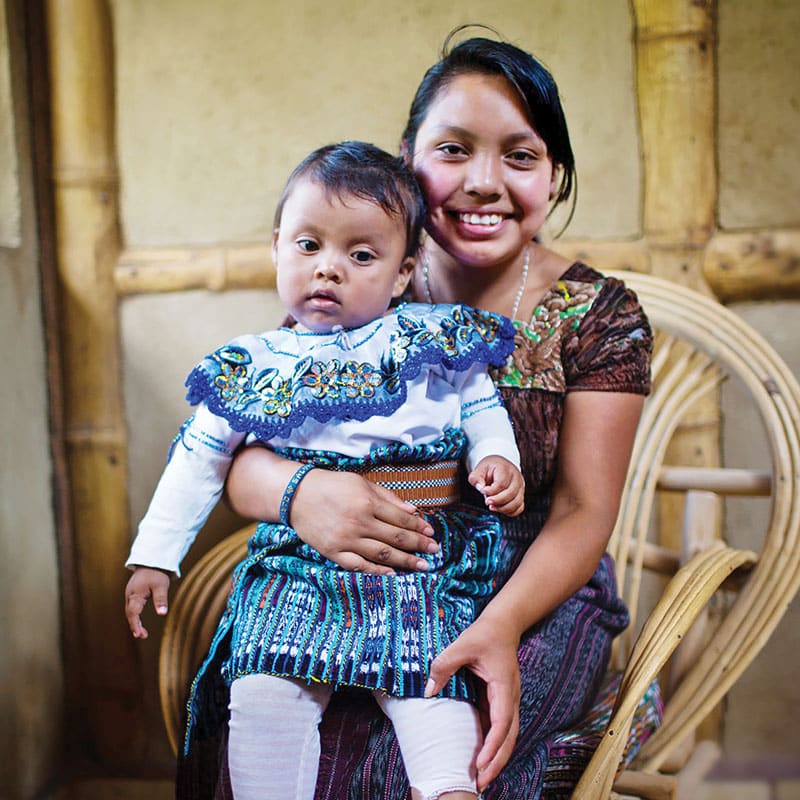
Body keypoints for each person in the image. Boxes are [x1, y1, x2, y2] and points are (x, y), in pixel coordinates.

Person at [211, 30, 654, 800]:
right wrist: (301, 493)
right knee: (276, 737)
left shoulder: (597, 316)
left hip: (532, 590)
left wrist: (501, 626)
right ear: (407, 157)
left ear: (554, 177)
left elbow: (585, 509)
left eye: (520, 156)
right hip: (358, 581)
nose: (484, 182)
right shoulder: (354, 286)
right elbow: (242, 460)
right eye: (453, 150)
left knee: (418, 764)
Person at [124, 140, 527, 800]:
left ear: (402, 272)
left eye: (361, 255)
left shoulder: (429, 340)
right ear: (277, 247)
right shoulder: (254, 364)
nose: (328, 269)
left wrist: (495, 458)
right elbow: (199, 459)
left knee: (433, 691)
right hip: (297, 563)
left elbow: (480, 404)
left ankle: (448, 789)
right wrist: (155, 555)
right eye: (308, 246)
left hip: (414, 557)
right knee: (263, 693)